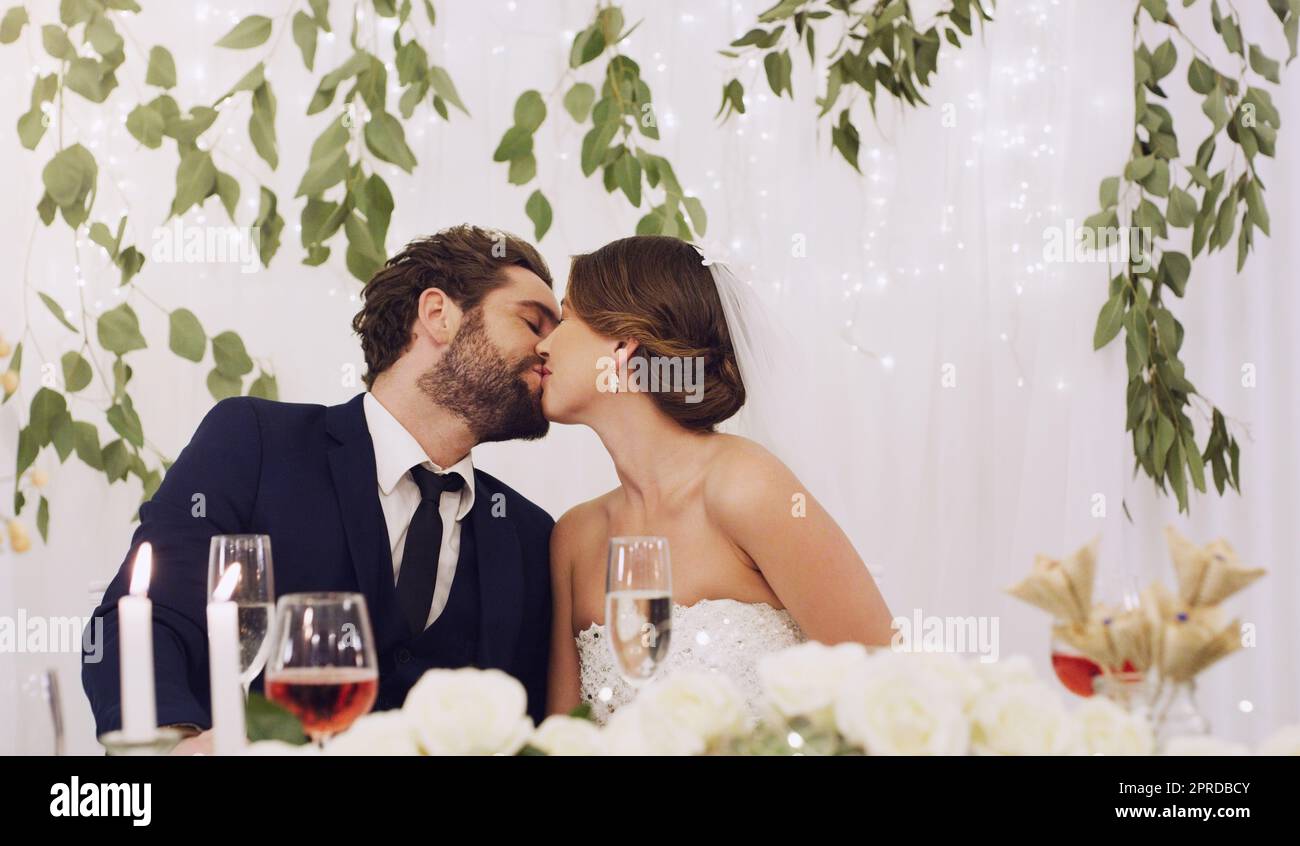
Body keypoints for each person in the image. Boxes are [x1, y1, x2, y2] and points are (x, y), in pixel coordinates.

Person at [82, 224, 561, 750]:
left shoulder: (532, 535)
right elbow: (142, 619)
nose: (550, 348)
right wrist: (177, 741)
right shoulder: (255, 443)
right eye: (533, 322)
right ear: (437, 314)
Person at [539, 235, 893, 724]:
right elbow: (565, 737)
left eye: (565, 318)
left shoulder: (746, 487)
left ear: (621, 346)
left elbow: (884, 681)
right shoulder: (574, 538)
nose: (543, 344)